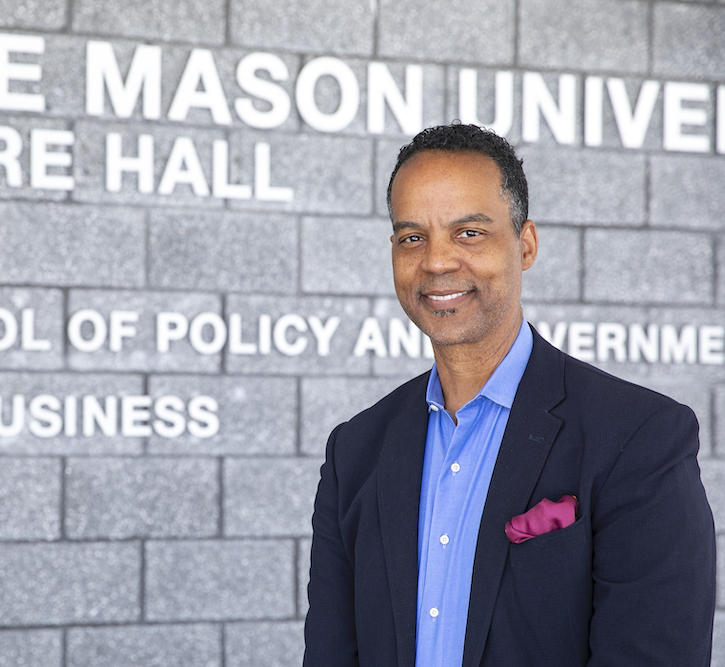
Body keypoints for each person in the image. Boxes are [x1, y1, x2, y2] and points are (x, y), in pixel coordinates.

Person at [302, 123, 715, 667]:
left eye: (469, 233)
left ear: (525, 245)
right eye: (412, 237)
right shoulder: (355, 451)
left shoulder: (639, 437)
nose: (437, 261)